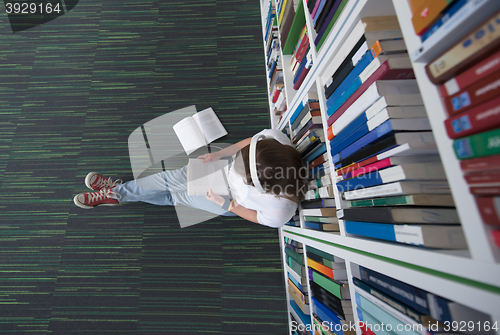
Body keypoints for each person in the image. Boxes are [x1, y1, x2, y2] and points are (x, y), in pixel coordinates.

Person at [73, 129, 307, 228]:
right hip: (221, 174)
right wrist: (222, 154)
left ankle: (117, 193)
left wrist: (227, 204)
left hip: (229, 199)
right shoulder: (276, 140)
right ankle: (118, 193)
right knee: (173, 179)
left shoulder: (281, 211)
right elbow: (250, 142)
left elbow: (255, 216)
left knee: (178, 194)